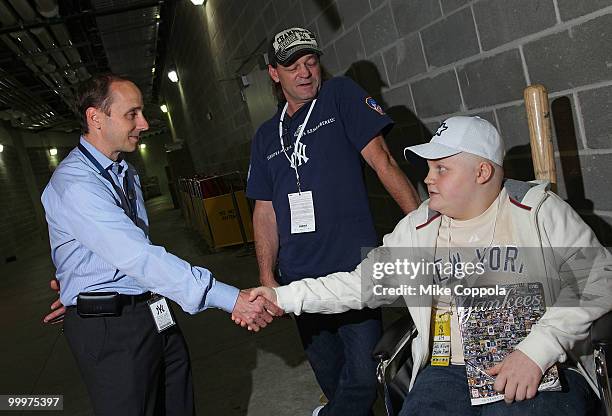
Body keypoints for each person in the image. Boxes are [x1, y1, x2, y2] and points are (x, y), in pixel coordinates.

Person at [247, 116, 612, 415]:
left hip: (535, 361)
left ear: (482, 172)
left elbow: (599, 278)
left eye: (441, 169)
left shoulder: (536, 211)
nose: (427, 179)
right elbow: (358, 284)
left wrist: (538, 350)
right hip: (448, 368)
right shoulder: (420, 228)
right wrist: (282, 297)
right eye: (428, 168)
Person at [41, 73, 280, 415]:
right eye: (132, 114)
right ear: (96, 118)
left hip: (152, 310)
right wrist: (231, 298)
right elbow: (139, 256)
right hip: (112, 329)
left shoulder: (125, 171)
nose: (144, 122)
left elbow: (121, 249)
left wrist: (77, 283)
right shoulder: (76, 184)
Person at [244, 27, 420, 416]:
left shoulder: (340, 95)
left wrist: (424, 226)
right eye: (293, 67)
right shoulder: (265, 137)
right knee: (331, 376)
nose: (306, 73)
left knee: (362, 376)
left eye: (311, 62)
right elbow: (264, 210)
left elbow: (383, 163)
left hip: (355, 270)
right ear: (274, 74)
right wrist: (268, 278)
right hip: (300, 277)